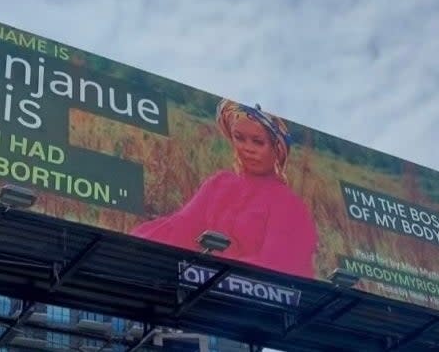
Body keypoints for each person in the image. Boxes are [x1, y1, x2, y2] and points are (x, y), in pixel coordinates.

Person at [131, 99, 318, 279]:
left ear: (277, 148)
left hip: (250, 305)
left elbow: (280, 268)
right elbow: (181, 227)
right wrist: (131, 245)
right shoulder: (219, 184)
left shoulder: (288, 204)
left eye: (258, 141)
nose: (247, 148)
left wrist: (212, 272)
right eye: (239, 138)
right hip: (201, 292)